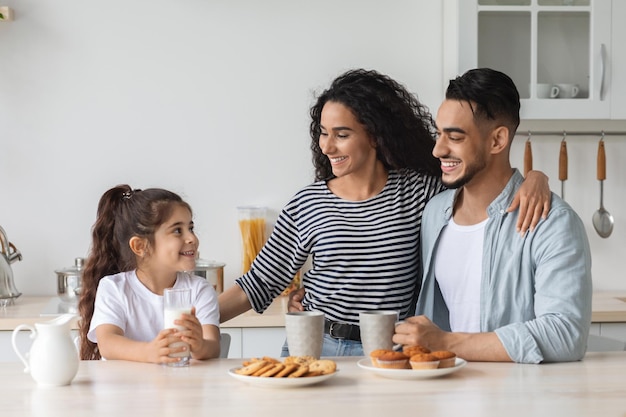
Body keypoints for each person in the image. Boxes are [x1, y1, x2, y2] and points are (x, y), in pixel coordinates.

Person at [219, 68, 551, 357]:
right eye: (323, 132)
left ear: (375, 136)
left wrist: (536, 178)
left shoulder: (421, 192)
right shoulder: (309, 203)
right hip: (315, 344)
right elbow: (259, 282)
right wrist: (187, 321)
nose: (327, 146)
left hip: (390, 350)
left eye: (342, 134)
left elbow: (482, 184)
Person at [393, 68, 592, 363]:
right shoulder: (434, 213)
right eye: (439, 133)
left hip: (517, 400)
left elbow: (565, 334)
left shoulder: (552, 222)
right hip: (444, 396)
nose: (438, 149)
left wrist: (444, 341)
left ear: (498, 140)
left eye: (455, 137)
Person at [78, 185, 221, 363]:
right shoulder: (114, 288)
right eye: (177, 230)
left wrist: (200, 345)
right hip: (125, 388)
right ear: (140, 246)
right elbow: (107, 343)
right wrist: (149, 352)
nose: (192, 238)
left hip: (180, 389)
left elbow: (213, 346)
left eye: (190, 228)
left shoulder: (200, 289)